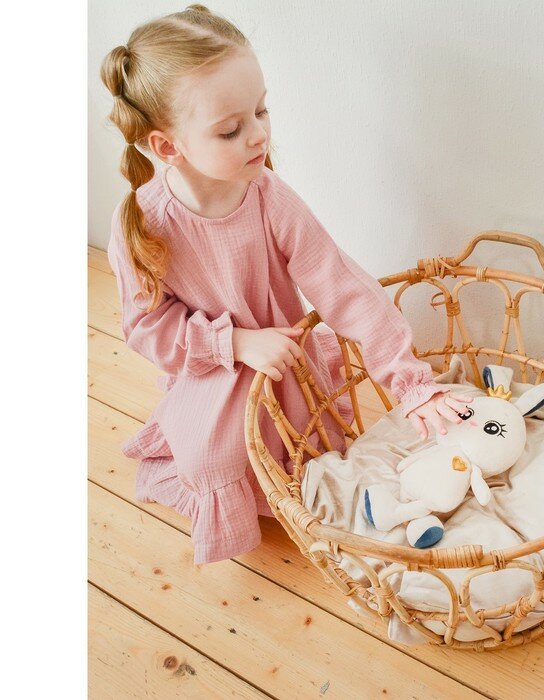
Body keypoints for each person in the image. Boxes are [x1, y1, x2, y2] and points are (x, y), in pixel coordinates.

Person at [100, 4, 473, 565]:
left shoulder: (268, 197)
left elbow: (343, 286)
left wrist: (409, 381)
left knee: (317, 455)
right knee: (209, 460)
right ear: (167, 146)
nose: (259, 135)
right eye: (231, 129)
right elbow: (147, 328)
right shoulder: (144, 224)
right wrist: (235, 342)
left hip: (286, 362)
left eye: (261, 110)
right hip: (215, 364)